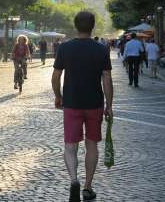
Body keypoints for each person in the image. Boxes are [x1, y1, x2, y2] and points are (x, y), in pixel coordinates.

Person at [51, 11, 113, 202]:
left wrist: (58, 96)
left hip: (72, 103)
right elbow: (107, 79)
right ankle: (87, 187)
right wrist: (108, 105)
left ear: (75, 25)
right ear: (92, 26)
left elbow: (55, 77)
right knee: (91, 144)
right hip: (94, 103)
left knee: (70, 146)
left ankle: (73, 180)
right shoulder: (101, 49)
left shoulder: (65, 48)